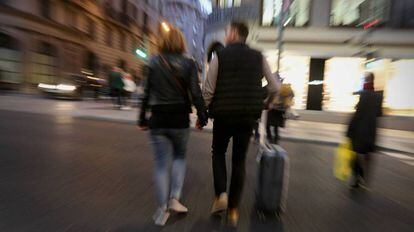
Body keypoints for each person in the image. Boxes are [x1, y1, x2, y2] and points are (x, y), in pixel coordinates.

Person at [203, 21, 279, 226]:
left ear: (234, 33)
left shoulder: (219, 55)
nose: (226, 34)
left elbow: (208, 90)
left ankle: (221, 195)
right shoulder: (258, 57)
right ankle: (234, 209)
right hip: (247, 116)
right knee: (239, 161)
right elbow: (274, 86)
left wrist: (204, 111)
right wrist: (267, 104)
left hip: (223, 116)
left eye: (227, 31)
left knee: (218, 152)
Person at [138, 26, 208, 226]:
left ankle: (161, 211)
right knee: (179, 157)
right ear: (182, 43)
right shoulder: (189, 63)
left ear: (163, 42)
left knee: (161, 165)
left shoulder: (152, 62)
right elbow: (195, 92)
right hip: (179, 120)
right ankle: (174, 198)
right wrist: (202, 116)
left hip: (158, 120)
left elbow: (146, 93)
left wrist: (142, 118)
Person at [347, 72, 383, 189]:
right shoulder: (378, 96)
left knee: (356, 153)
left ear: (366, 80)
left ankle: (357, 177)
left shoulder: (363, 94)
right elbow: (379, 114)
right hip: (371, 129)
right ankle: (365, 180)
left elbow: (357, 114)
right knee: (367, 154)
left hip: (359, 128)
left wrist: (349, 130)